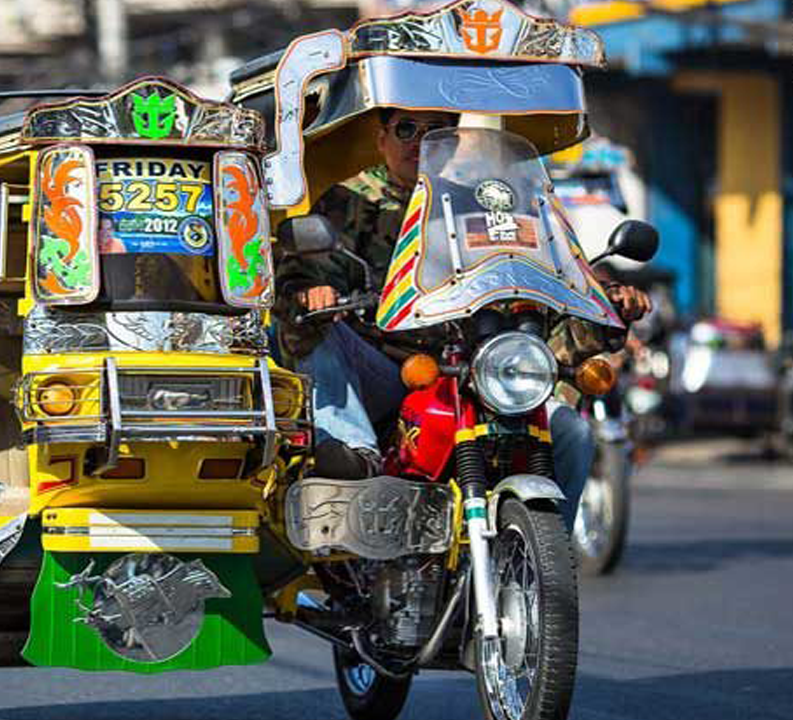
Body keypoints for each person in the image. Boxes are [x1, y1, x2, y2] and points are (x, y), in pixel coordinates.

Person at [276, 109, 652, 526]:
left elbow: (538, 288)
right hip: (391, 368)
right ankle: (353, 450)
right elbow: (303, 277)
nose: (420, 142)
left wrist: (605, 307)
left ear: (452, 142)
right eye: (406, 129)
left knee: (572, 435)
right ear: (382, 138)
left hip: (478, 372)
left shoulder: (487, 204)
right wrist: (311, 294)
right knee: (322, 334)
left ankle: (548, 554)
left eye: (435, 132)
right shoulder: (351, 201)